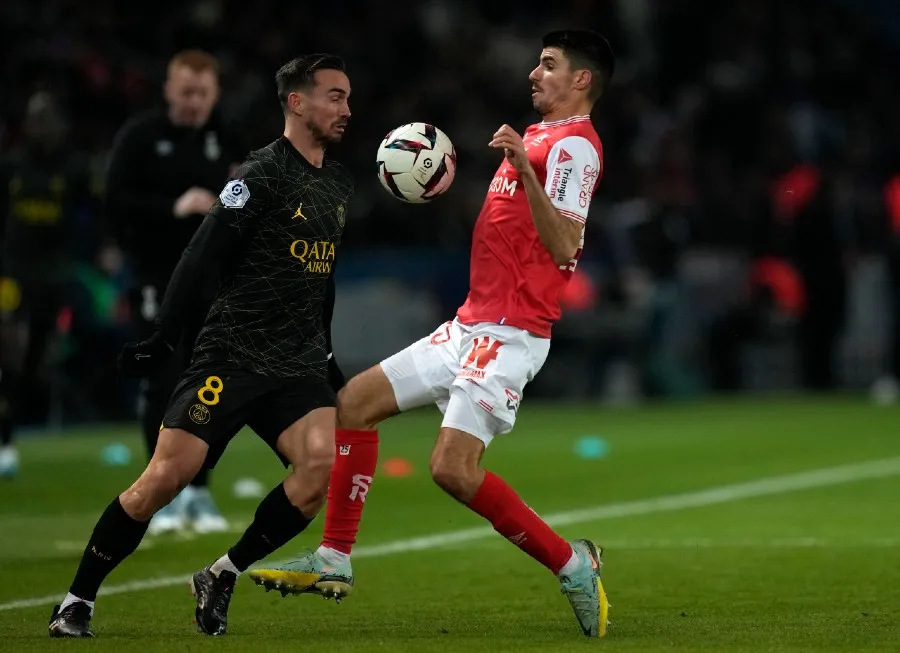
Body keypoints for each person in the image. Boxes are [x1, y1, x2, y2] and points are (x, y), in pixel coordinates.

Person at [251, 30, 614, 639]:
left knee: (451, 468)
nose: (533, 72)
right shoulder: (538, 138)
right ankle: (334, 558)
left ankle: (571, 563)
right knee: (353, 404)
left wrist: (524, 169)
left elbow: (566, 246)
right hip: (469, 324)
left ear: (581, 80)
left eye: (548, 65)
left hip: (512, 332)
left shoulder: (575, 146)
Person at [48, 53, 353, 638]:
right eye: (334, 96)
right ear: (296, 102)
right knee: (164, 478)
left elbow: (323, 275)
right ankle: (77, 598)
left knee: (318, 471)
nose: (346, 109)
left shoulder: (338, 182)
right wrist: (165, 336)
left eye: (346, 97)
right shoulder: (259, 173)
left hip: (297, 364)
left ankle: (223, 571)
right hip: (232, 353)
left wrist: (329, 355)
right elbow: (201, 254)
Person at [104, 49, 247, 533]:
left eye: (202, 93)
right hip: (156, 275)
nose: (193, 101)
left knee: (209, 383)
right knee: (163, 379)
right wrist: (173, 207)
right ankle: (158, 493)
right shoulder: (141, 137)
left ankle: (200, 493)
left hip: (212, 277)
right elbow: (114, 199)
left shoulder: (226, 137)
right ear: (168, 90)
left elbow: (254, 191)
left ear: (215, 94)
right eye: (185, 91)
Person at [0, 91, 95, 478]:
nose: (41, 127)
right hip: (12, 274)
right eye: (35, 118)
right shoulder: (11, 167)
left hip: (53, 277)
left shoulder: (73, 169)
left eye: (48, 119)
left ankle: (12, 435)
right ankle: (5, 440)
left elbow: (89, 220)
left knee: (33, 363)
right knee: (11, 351)